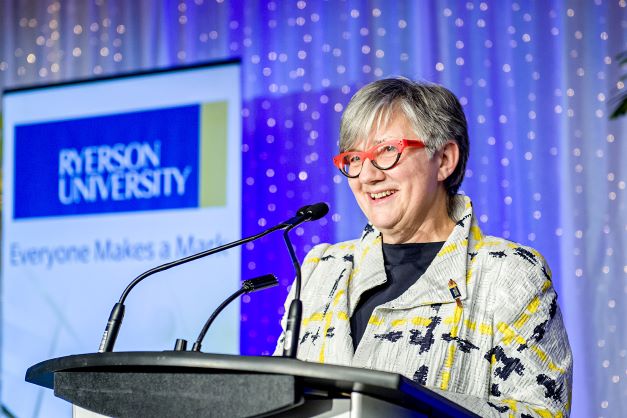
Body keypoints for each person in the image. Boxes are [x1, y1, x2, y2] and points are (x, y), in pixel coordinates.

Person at [274, 78, 572, 417]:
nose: (367, 175)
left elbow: (542, 413)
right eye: (354, 157)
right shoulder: (319, 270)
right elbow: (277, 396)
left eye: (387, 151)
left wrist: (401, 407)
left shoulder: (508, 273)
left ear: (444, 159)